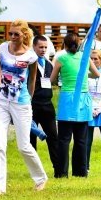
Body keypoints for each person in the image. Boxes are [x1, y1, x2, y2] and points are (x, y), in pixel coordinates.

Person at [0, 20, 48, 196]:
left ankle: (40, 177)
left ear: (24, 35)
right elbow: (0, 65)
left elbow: (32, 79)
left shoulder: (31, 56)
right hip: (1, 101)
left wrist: (28, 99)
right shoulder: (2, 48)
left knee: (23, 146)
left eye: (17, 34)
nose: (13, 37)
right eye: (11, 33)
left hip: (21, 102)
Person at [52, 32, 93, 178]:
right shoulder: (85, 57)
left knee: (64, 139)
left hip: (67, 99)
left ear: (65, 44)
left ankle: (61, 173)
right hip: (83, 99)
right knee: (81, 139)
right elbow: (96, 74)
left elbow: (52, 79)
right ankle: (80, 172)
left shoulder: (61, 58)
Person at [30, 35, 62, 176]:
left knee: (53, 137)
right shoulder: (29, 63)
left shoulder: (49, 64)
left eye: (45, 47)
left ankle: (58, 169)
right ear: (34, 47)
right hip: (32, 104)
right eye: (40, 47)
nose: (43, 50)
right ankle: (35, 171)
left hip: (47, 105)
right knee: (31, 138)